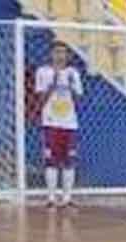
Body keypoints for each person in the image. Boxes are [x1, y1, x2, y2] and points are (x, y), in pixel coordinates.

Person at [35, 41, 83, 208]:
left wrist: (70, 86)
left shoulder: (73, 73)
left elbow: (78, 100)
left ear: (68, 55)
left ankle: (67, 197)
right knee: (51, 160)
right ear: (51, 54)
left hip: (69, 123)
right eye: (56, 52)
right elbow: (40, 100)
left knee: (69, 160)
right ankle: (51, 198)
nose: (60, 56)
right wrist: (53, 83)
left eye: (63, 52)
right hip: (51, 122)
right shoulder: (43, 72)